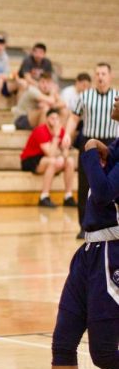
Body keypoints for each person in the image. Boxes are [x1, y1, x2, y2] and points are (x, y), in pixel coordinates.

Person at [45, 94, 119, 369]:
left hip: (111, 255)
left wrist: (90, 150)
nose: (116, 97)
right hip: (88, 253)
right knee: (62, 342)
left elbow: (104, 192)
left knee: (104, 354)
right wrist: (104, 151)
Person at [62, 63, 119, 240]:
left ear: (110, 76)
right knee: (85, 186)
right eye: (97, 74)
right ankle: (84, 225)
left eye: (103, 73)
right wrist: (67, 135)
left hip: (111, 142)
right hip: (90, 143)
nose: (100, 77)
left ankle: (109, 225)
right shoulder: (85, 96)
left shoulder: (117, 96)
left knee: (109, 189)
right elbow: (73, 117)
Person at [20, 109, 76, 208]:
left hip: (47, 158)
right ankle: (44, 197)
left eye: (57, 118)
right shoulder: (40, 130)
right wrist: (56, 136)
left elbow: (66, 152)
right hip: (30, 159)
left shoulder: (61, 130)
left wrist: (63, 156)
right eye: (52, 118)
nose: (54, 121)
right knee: (53, 161)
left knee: (70, 161)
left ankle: (68, 196)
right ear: (46, 119)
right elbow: (50, 153)